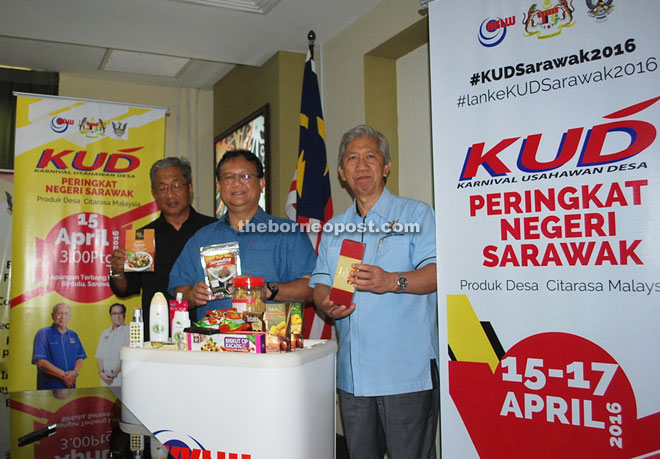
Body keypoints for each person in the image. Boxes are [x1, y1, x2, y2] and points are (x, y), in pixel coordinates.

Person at [310, 125, 439, 459]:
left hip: (405, 374)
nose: (361, 165)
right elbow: (321, 284)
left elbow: (439, 273)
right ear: (341, 172)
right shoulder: (335, 228)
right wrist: (326, 302)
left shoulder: (417, 214)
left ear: (386, 167)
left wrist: (391, 281)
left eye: (371, 156)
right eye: (352, 158)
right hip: (353, 377)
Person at [169, 149, 316, 319]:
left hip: (272, 340)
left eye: (245, 176)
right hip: (214, 342)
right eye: (229, 177)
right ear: (219, 185)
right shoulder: (201, 238)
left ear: (262, 183)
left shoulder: (289, 233)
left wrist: (267, 289)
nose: (236, 183)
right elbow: (178, 289)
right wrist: (192, 296)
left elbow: (312, 287)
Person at [108, 157, 216, 338]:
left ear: (190, 188)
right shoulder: (143, 237)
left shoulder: (213, 230)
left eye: (176, 186)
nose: (170, 194)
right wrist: (117, 271)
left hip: (207, 333)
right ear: (154, 193)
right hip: (157, 335)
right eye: (162, 188)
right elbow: (125, 290)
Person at [33, 302, 87, 390]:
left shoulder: (73, 335)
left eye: (66, 314)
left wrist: (75, 372)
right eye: (59, 313)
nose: (63, 317)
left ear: (69, 316)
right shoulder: (43, 333)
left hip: (70, 386)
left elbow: (80, 357)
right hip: (49, 387)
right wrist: (64, 376)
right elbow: (41, 362)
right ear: (52, 315)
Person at [96, 303, 129, 386]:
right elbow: (100, 355)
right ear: (110, 315)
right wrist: (101, 373)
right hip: (105, 378)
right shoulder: (105, 333)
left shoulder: (129, 331)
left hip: (120, 378)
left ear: (124, 315)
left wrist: (112, 373)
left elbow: (126, 359)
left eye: (120, 313)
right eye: (114, 313)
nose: (117, 316)